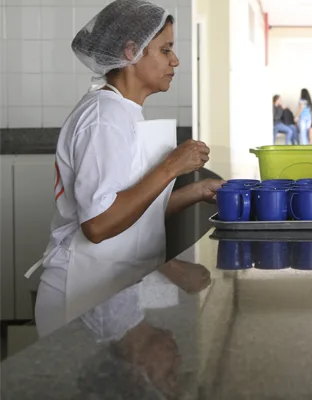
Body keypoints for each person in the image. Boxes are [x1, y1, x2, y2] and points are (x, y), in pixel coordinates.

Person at [31, 0, 223, 337]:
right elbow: (99, 224)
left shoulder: (123, 112)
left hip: (110, 289)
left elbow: (130, 209)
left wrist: (192, 193)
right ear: (132, 51)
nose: (175, 60)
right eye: (165, 50)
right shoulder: (105, 117)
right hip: (80, 296)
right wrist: (171, 167)